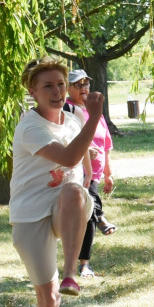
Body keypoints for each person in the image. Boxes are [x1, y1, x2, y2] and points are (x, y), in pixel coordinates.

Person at [10, 57, 98, 307]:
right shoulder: (29, 126)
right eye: (47, 86)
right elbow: (69, 157)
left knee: (74, 191)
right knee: (47, 299)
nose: (57, 91)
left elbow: (82, 164)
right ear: (33, 91)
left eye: (61, 84)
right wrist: (97, 118)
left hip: (64, 205)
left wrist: (91, 180)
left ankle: (71, 271)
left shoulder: (74, 120)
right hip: (30, 213)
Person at [65, 69, 117, 278]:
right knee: (88, 215)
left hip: (94, 172)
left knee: (88, 218)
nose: (84, 88)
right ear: (68, 88)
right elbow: (66, 139)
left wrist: (108, 174)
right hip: (75, 171)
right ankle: (102, 219)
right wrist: (85, 149)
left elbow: (106, 145)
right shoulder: (66, 109)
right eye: (78, 85)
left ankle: (84, 263)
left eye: (86, 84)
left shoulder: (95, 111)